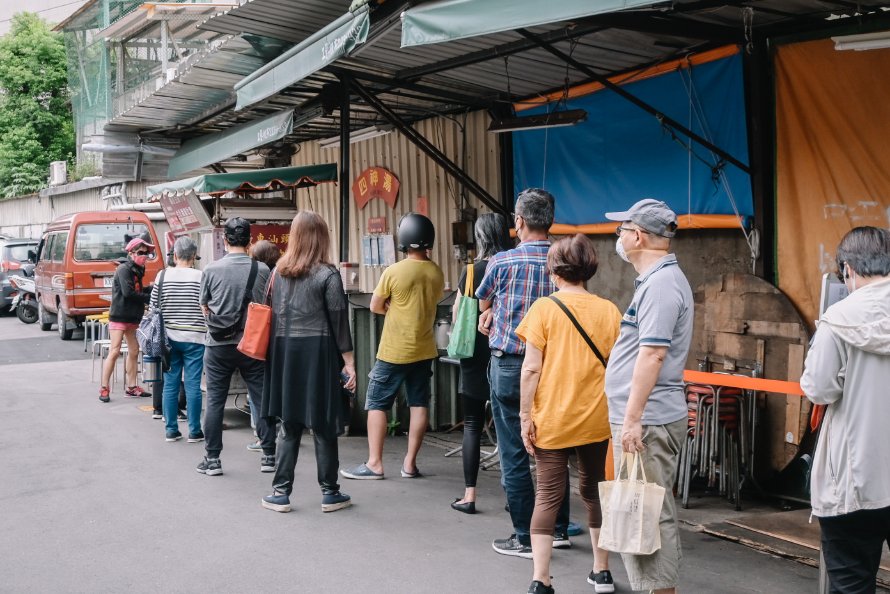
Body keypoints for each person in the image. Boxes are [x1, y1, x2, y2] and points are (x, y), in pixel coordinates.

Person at [516, 235, 621, 594]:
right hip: (595, 417)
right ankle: (602, 572)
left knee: (547, 495)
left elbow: (531, 369)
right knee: (593, 492)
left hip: (553, 418)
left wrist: (524, 416)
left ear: (554, 269)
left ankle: (541, 580)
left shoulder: (544, 309)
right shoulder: (609, 310)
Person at [476, 188, 573, 558]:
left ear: (518, 222)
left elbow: (484, 303)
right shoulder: (564, 264)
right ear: (550, 222)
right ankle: (559, 529)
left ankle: (524, 536)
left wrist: (492, 312)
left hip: (510, 366)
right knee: (553, 451)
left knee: (515, 452)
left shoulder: (501, 262)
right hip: (552, 367)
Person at [603, 199, 692, 594]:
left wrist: (633, 418)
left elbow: (653, 354)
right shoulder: (657, 281)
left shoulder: (660, 286)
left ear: (637, 235)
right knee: (642, 513)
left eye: (621, 230)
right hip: (646, 417)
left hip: (649, 419)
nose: (618, 237)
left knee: (648, 516)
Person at [801, 226, 890, 594]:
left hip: (855, 481)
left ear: (849, 269)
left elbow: (819, 388)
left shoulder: (838, 320)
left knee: (852, 581)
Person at [259, 212, 356, 514]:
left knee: (290, 425)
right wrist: (349, 363)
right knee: (323, 423)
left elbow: (268, 310)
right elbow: (339, 321)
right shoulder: (328, 275)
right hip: (319, 352)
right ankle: (330, 492)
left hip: (284, 353)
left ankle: (280, 492)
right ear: (322, 237)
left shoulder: (278, 272)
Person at [341, 213, 444, 480]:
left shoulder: (394, 271)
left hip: (395, 350)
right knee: (419, 402)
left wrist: (395, 309)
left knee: (376, 402)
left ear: (404, 240)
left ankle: (375, 464)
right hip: (424, 350)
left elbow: (375, 305)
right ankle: (410, 464)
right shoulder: (436, 272)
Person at [197, 217, 273, 477]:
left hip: (218, 345)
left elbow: (204, 306)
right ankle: (269, 455)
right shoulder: (262, 270)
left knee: (216, 400)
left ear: (225, 240)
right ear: (250, 240)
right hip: (253, 343)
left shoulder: (211, 270)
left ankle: (213, 459)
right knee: (261, 398)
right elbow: (267, 304)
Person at [450, 213, 513, 514]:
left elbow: (458, 313)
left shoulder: (473, 271)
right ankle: (514, 496)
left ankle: (470, 495)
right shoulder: (512, 266)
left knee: (473, 424)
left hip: (475, 353)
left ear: (481, 237)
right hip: (507, 352)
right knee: (508, 426)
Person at [150, 236, 206, 443]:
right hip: (195, 338)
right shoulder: (201, 276)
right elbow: (206, 306)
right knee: (192, 385)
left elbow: (153, 306)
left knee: (170, 384)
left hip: (168, 340)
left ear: (174, 255)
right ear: (194, 257)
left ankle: (171, 430)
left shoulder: (162, 276)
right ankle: (194, 431)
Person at [99, 233, 154, 403]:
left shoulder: (138, 269)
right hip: (119, 316)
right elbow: (128, 292)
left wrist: (149, 289)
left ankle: (132, 387)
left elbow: (136, 289)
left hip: (133, 316)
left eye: (146, 253)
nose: (144, 256)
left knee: (134, 351)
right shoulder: (124, 269)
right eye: (140, 253)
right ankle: (104, 388)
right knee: (114, 351)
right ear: (131, 254)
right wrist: (147, 295)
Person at [246, 239, 281, 452]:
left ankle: (263, 437)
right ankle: (282, 430)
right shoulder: (281, 274)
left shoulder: (259, 275)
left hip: (261, 336)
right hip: (281, 337)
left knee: (257, 390)